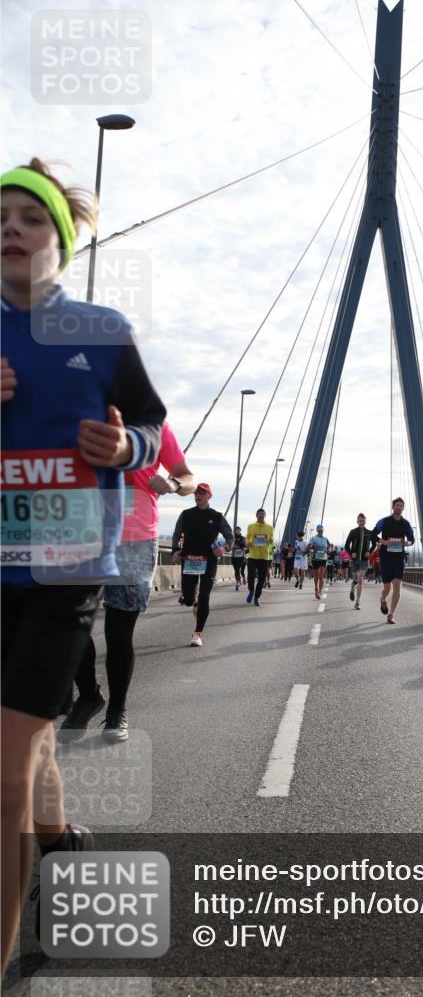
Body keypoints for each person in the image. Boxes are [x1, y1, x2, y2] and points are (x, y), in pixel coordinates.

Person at [1, 158, 166, 975]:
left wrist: (124, 445)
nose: (8, 229)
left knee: (3, 771)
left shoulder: (101, 330)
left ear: (61, 241)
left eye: (28, 218)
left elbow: (149, 426)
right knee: (29, 751)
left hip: (66, 574)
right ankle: (60, 842)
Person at [59, 422, 194, 743]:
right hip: (80, 534)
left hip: (134, 539)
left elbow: (188, 478)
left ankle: (117, 711)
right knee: (70, 623)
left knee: (118, 633)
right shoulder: (78, 412)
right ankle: (89, 695)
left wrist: (174, 484)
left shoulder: (154, 426)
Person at [171, 483, 232, 646]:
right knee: (190, 600)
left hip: (209, 560)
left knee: (205, 597)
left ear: (209, 496)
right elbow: (177, 534)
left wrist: (224, 547)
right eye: (196, 493)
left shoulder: (217, 516)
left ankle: (198, 634)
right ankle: (193, 600)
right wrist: (175, 550)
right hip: (189, 559)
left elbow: (230, 537)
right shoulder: (186, 514)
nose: (198, 495)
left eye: (202, 493)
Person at [374, 498, 415, 624]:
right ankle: (382, 598)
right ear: (393, 507)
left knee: (397, 585)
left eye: (401, 506)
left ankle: (391, 614)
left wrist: (406, 543)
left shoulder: (406, 524)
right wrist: (384, 542)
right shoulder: (384, 521)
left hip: (398, 559)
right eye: (397, 505)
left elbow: (412, 540)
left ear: (403, 508)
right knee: (387, 588)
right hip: (386, 559)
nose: (398, 507)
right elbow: (372, 535)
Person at [344, 513, 378, 609]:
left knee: (360, 579)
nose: (361, 522)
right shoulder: (353, 532)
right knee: (355, 579)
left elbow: (374, 544)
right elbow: (347, 545)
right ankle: (352, 589)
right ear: (357, 521)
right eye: (360, 521)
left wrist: (369, 552)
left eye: (363, 521)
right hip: (354, 560)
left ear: (365, 521)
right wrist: (351, 553)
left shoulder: (369, 532)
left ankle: (357, 602)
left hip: (364, 560)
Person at [245, 508, 274, 606]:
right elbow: (247, 538)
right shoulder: (251, 526)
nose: (261, 515)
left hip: (264, 557)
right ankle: (251, 591)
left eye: (263, 514)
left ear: (265, 516)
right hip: (253, 556)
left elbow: (271, 543)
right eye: (259, 514)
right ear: (256, 515)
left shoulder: (269, 527)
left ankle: (257, 597)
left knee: (262, 579)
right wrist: (248, 543)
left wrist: (271, 541)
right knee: (250, 576)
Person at [308, 525, 329, 599]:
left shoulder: (325, 539)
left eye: (322, 530)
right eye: (319, 530)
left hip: (323, 558)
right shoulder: (313, 538)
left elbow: (329, 546)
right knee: (316, 576)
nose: (321, 531)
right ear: (317, 531)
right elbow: (309, 547)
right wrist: (311, 550)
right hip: (315, 559)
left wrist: (328, 550)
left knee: (321, 576)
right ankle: (316, 589)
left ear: (323, 530)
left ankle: (319, 592)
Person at [230, 526, 247, 591]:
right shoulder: (232, 538)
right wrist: (231, 547)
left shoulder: (243, 538)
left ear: (240, 531)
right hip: (234, 557)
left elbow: (245, 546)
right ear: (234, 531)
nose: (237, 531)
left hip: (241, 557)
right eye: (236, 530)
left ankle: (238, 582)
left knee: (239, 569)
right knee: (236, 570)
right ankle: (238, 581)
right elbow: (230, 545)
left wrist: (240, 547)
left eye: (238, 530)